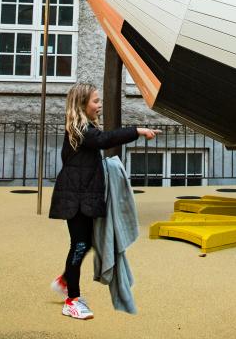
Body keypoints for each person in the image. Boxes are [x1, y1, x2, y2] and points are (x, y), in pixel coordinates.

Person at [48, 83, 160, 320]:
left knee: (86, 243)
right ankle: (72, 301)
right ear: (82, 104)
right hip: (74, 198)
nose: (99, 106)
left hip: (82, 196)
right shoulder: (80, 130)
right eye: (96, 101)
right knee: (79, 245)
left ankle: (66, 279)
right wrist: (137, 130)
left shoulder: (84, 128)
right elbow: (104, 139)